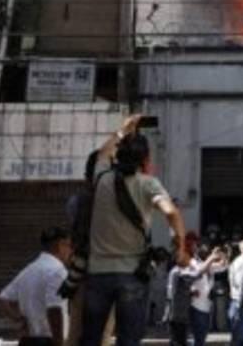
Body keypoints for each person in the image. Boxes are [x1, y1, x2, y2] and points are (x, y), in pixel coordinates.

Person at [80, 115, 189, 346]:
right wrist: (179, 248)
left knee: (90, 339)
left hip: (97, 272)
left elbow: (102, 154)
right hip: (131, 274)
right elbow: (171, 212)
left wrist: (122, 130)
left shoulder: (101, 178)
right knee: (128, 340)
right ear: (146, 160)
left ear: (118, 157)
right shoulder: (148, 183)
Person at [64, 151, 114, 346]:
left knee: (76, 333)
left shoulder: (77, 202)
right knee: (101, 336)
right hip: (107, 277)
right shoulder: (116, 202)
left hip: (82, 276)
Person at [0, 227, 74, 346]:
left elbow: (2, 299)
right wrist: (59, 343)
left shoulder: (29, 269)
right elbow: (54, 309)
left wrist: (18, 320)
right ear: (60, 245)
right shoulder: (58, 271)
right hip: (49, 341)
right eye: (69, 246)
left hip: (27, 340)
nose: (70, 252)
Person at [168, 233, 228, 346]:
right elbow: (199, 271)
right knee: (195, 338)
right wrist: (212, 257)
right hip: (194, 306)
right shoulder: (190, 261)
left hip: (206, 305)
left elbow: (223, 266)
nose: (202, 247)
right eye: (197, 245)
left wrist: (222, 254)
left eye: (198, 244)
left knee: (200, 337)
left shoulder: (202, 262)